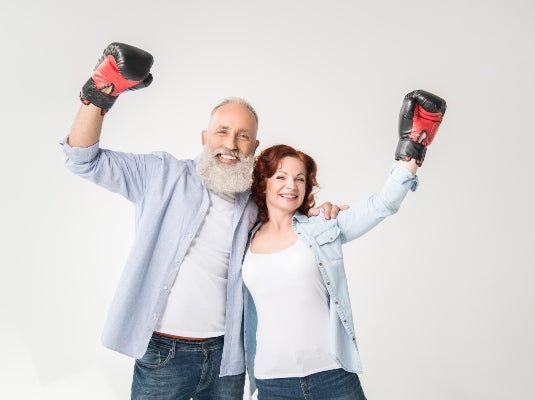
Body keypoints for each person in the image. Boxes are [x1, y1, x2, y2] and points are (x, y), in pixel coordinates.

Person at [59, 42, 341, 400]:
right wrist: (99, 97)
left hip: (227, 356)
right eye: (222, 132)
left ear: (254, 146)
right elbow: (83, 159)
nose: (231, 144)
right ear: (205, 138)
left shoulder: (255, 202)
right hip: (163, 354)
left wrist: (318, 212)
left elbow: (290, 218)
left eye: (242, 136)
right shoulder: (161, 174)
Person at [242, 90, 446, 400]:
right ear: (264, 182)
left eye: (299, 179)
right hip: (273, 382)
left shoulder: (323, 226)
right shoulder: (243, 236)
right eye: (280, 177)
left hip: (332, 376)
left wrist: (411, 152)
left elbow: (382, 204)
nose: (290, 186)